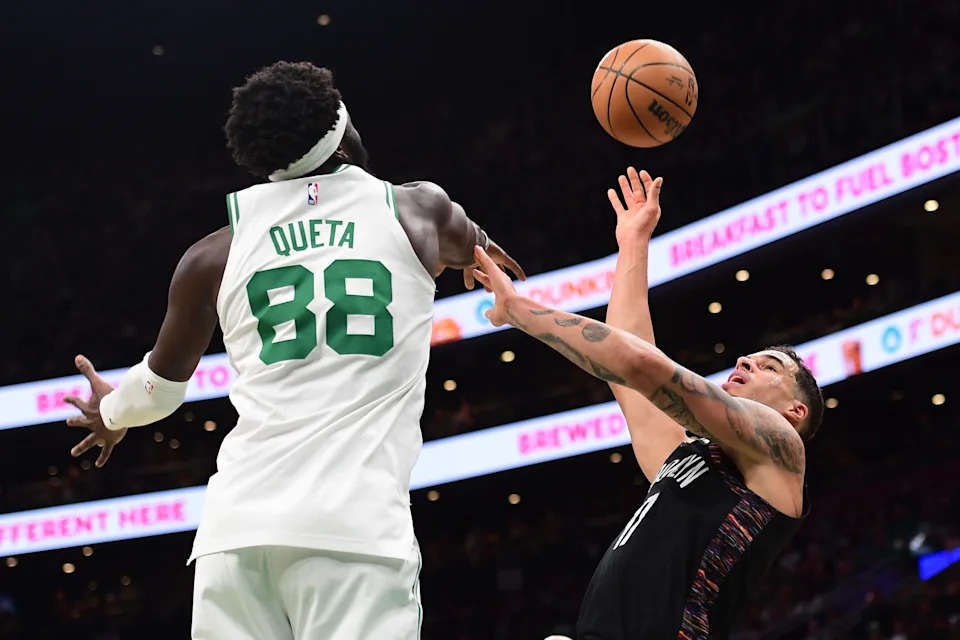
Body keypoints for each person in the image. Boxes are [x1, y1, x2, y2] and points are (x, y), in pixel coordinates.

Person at [61, 60, 524, 640]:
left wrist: (110, 412)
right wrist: (485, 258)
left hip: (234, 538)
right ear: (344, 128)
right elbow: (474, 244)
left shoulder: (210, 256)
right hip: (355, 534)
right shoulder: (417, 210)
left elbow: (157, 391)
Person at [471, 167, 823, 640]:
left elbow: (641, 366)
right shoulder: (685, 459)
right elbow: (629, 363)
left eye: (769, 368)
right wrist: (633, 244)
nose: (746, 360)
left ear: (794, 412)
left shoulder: (781, 448)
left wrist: (520, 311)